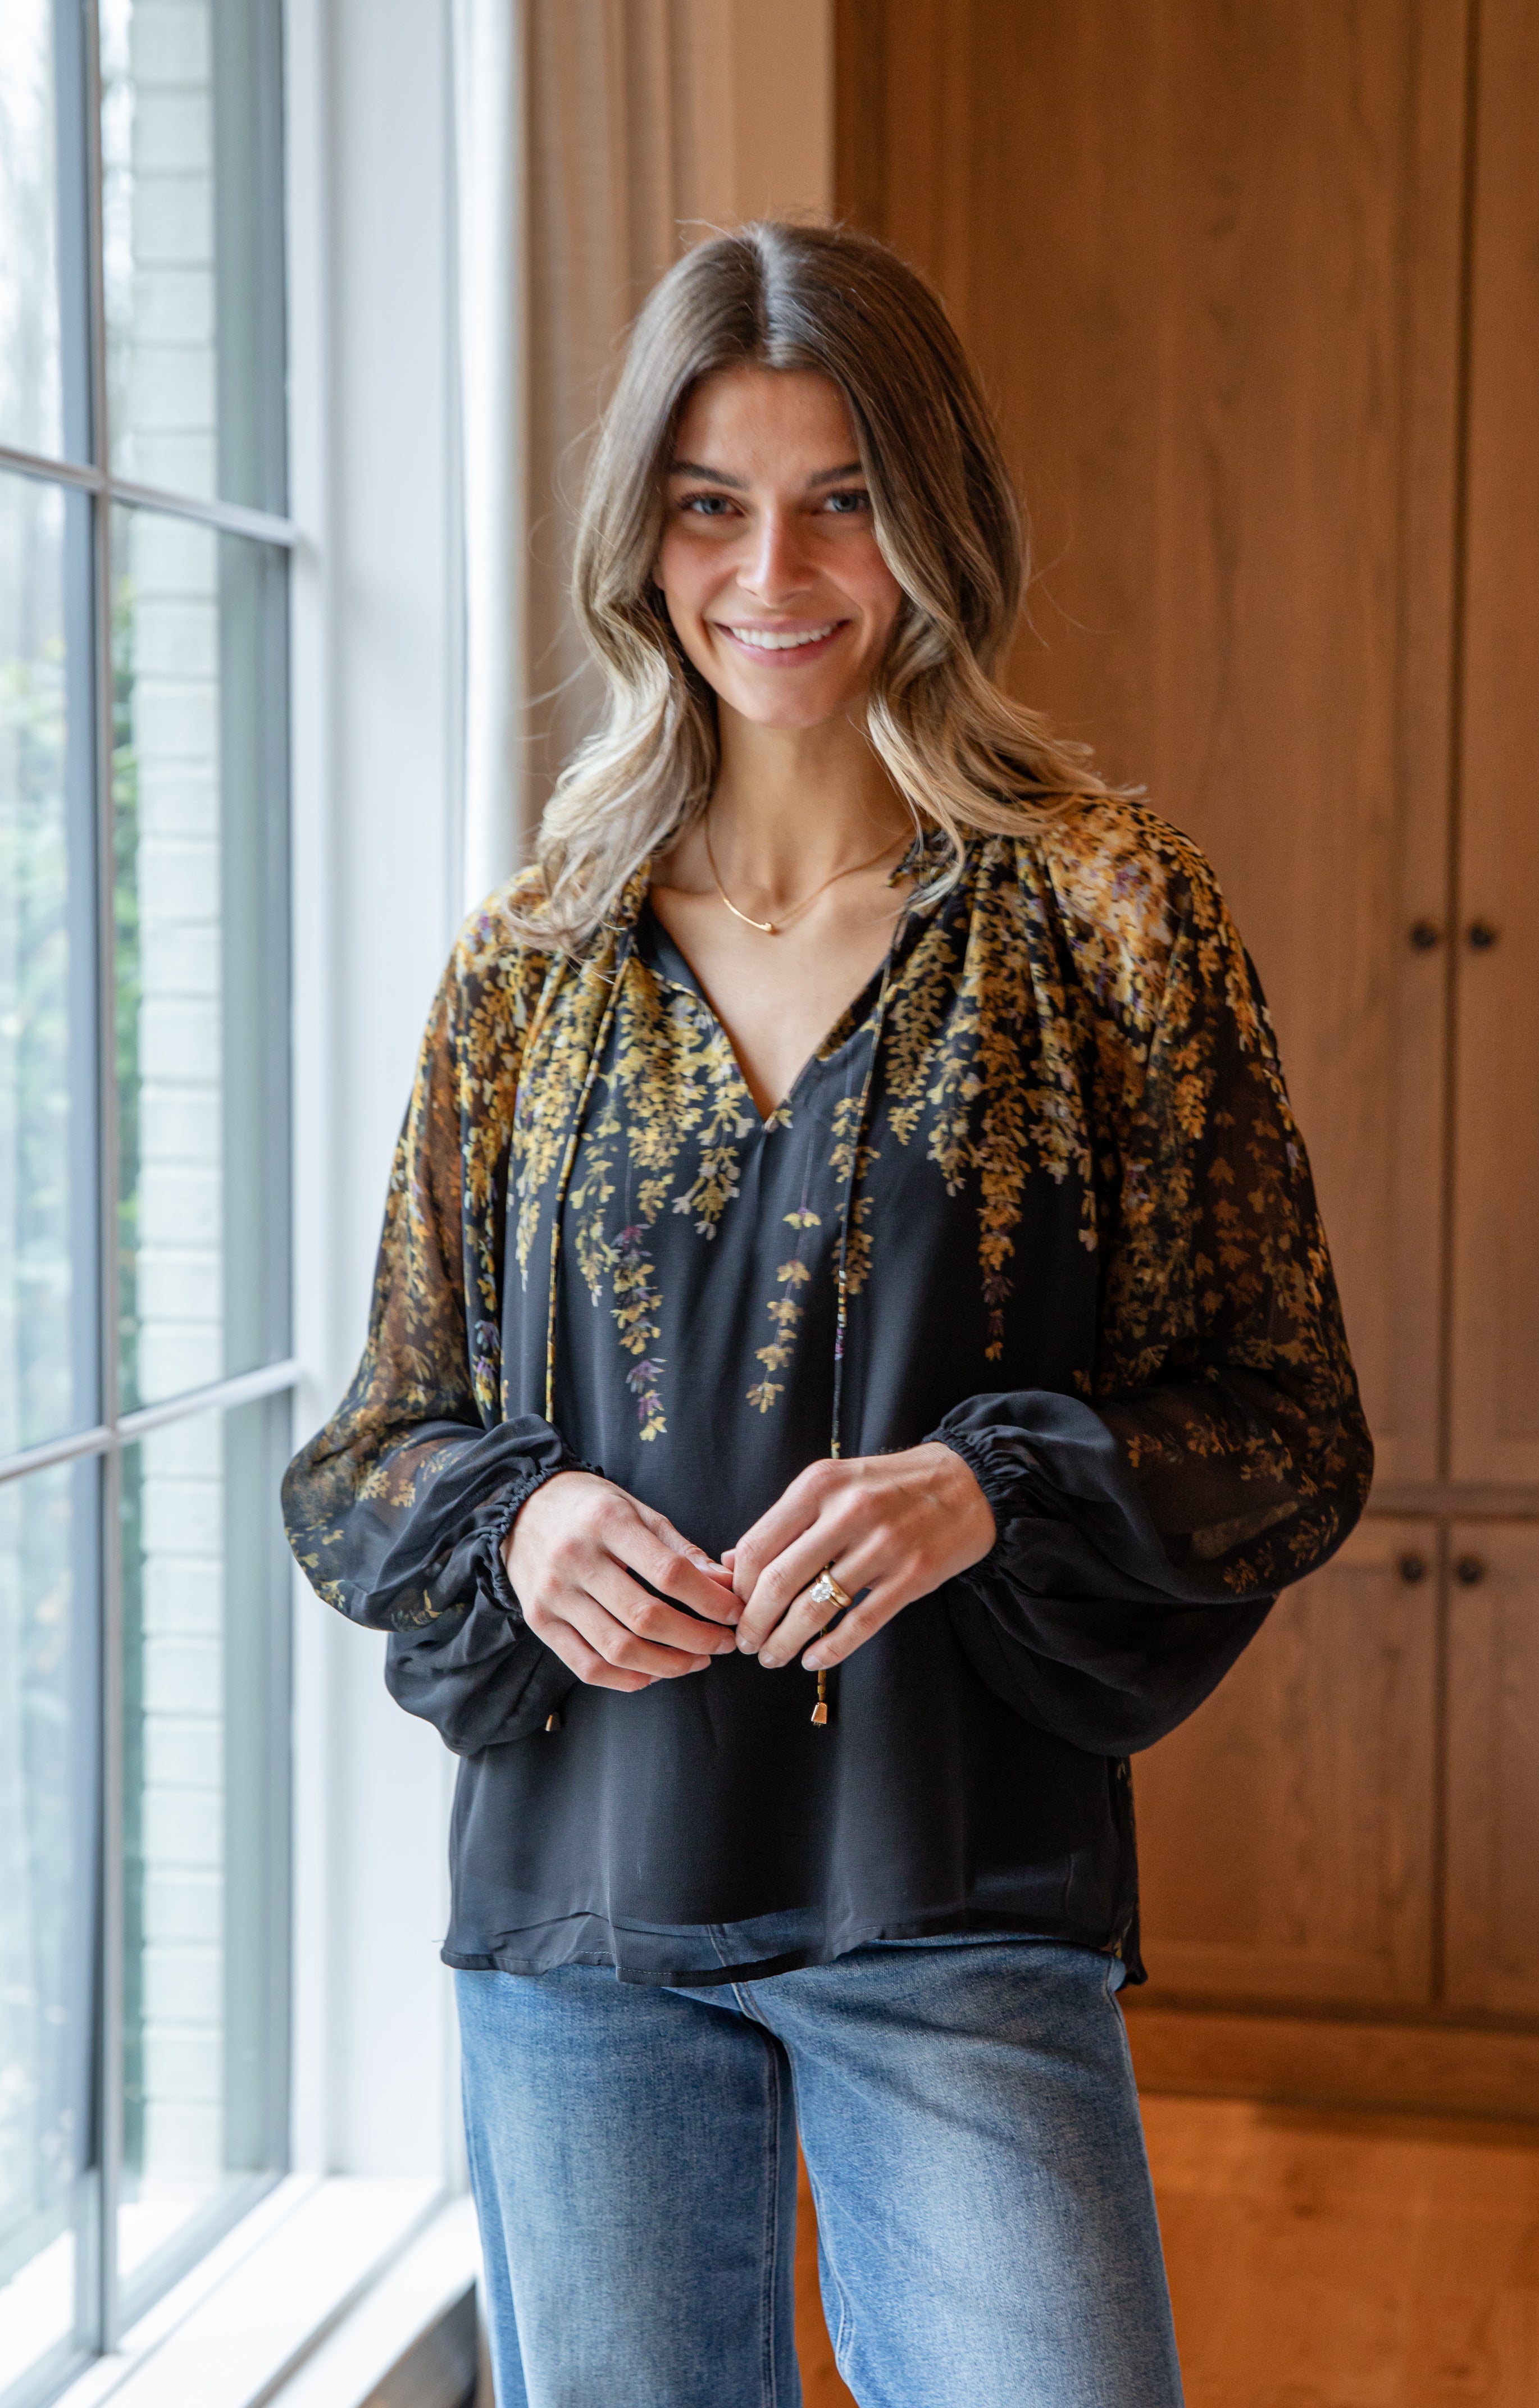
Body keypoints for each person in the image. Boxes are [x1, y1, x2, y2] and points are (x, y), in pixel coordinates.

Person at [282, 221, 1370, 2408]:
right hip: (582, 1908)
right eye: (711, 503)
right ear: (641, 537)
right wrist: (519, 1520)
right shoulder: (531, 958)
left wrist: (990, 1491)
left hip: (952, 1887)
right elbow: (367, 1454)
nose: (770, 570)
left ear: (934, 522)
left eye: (840, 498)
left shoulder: (1106, 917)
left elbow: (1285, 1426)